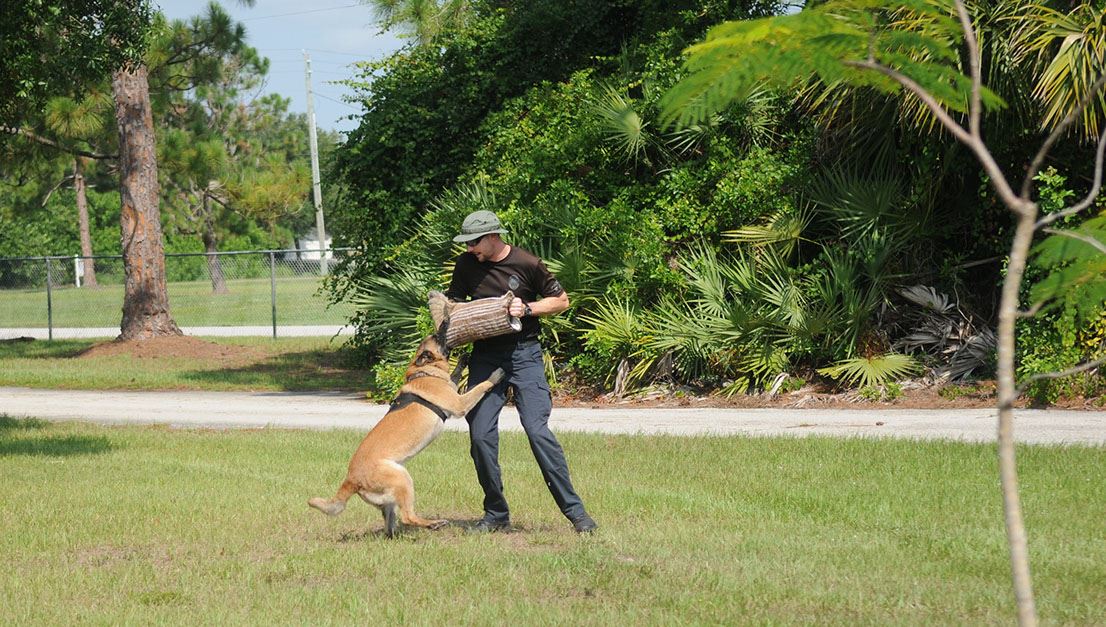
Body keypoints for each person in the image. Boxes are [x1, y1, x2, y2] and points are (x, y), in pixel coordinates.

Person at [445, 210, 597, 534]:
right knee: (480, 434)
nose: (470, 249)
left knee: (537, 431)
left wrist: (527, 308)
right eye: (468, 243)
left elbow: (561, 300)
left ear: (492, 236)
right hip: (485, 357)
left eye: (474, 242)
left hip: (524, 354)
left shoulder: (527, 263)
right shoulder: (465, 265)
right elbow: (453, 305)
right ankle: (496, 514)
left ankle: (577, 514)